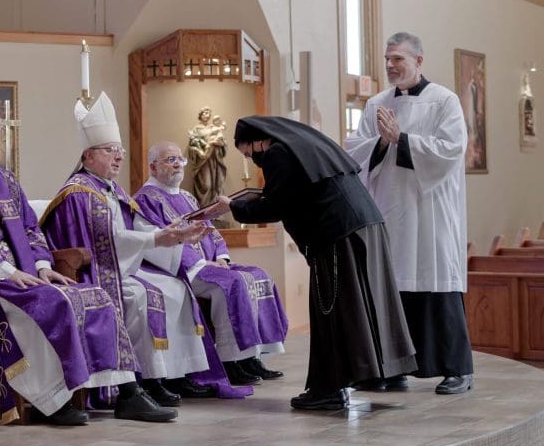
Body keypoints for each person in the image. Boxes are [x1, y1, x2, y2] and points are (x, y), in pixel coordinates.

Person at [0, 94, 178, 425]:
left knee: (95, 295)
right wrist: (8, 272)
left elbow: (33, 232)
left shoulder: (6, 179)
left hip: (24, 277)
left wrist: (43, 267)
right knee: (56, 303)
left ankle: (126, 393)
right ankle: (52, 402)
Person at [41, 93, 248, 406]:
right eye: (111, 151)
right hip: (92, 272)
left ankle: (174, 375)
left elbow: (132, 231)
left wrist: (171, 235)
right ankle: (144, 380)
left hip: (121, 266)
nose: (119, 157)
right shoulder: (78, 193)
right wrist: (157, 240)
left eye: (120, 150)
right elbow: (103, 241)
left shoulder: (113, 190)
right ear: (88, 156)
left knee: (176, 287)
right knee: (145, 295)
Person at [210, 115, 417, 410]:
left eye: (247, 152)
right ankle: (381, 373)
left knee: (330, 309)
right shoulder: (303, 143)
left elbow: (276, 205)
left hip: (337, 234)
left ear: (257, 140)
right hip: (364, 227)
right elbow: (298, 192)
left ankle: (329, 390)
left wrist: (235, 207)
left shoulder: (277, 152)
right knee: (367, 304)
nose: (251, 158)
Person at [344, 31, 473, 395]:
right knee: (392, 289)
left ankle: (457, 369)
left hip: (430, 210)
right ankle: (392, 368)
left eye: (398, 58)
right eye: (388, 59)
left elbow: (451, 149)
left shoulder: (444, 101)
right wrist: (382, 141)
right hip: (390, 208)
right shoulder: (376, 104)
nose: (391, 65)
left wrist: (403, 139)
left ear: (418, 60)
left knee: (437, 285)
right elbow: (355, 151)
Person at [134, 141, 289, 386]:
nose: (177, 164)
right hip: (184, 270)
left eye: (179, 159)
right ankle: (231, 360)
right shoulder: (145, 199)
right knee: (232, 283)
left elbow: (211, 231)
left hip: (209, 263)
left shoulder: (187, 196)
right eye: (170, 160)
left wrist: (220, 257)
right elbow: (156, 240)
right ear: (153, 167)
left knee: (260, 275)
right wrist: (200, 263)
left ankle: (252, 356)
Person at [187, 107, 228, 208]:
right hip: (203, 162)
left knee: (216, 185)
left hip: (215, 161)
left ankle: (214, 212)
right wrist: (198, 151)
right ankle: (203, 211)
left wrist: (219, 143)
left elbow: (223, 142)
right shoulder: (196, 130)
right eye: (205, 113)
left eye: (209, 113)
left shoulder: (213, 128)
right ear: (200, 115)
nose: (207, 115)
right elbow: (192, 146)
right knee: (206, 185)